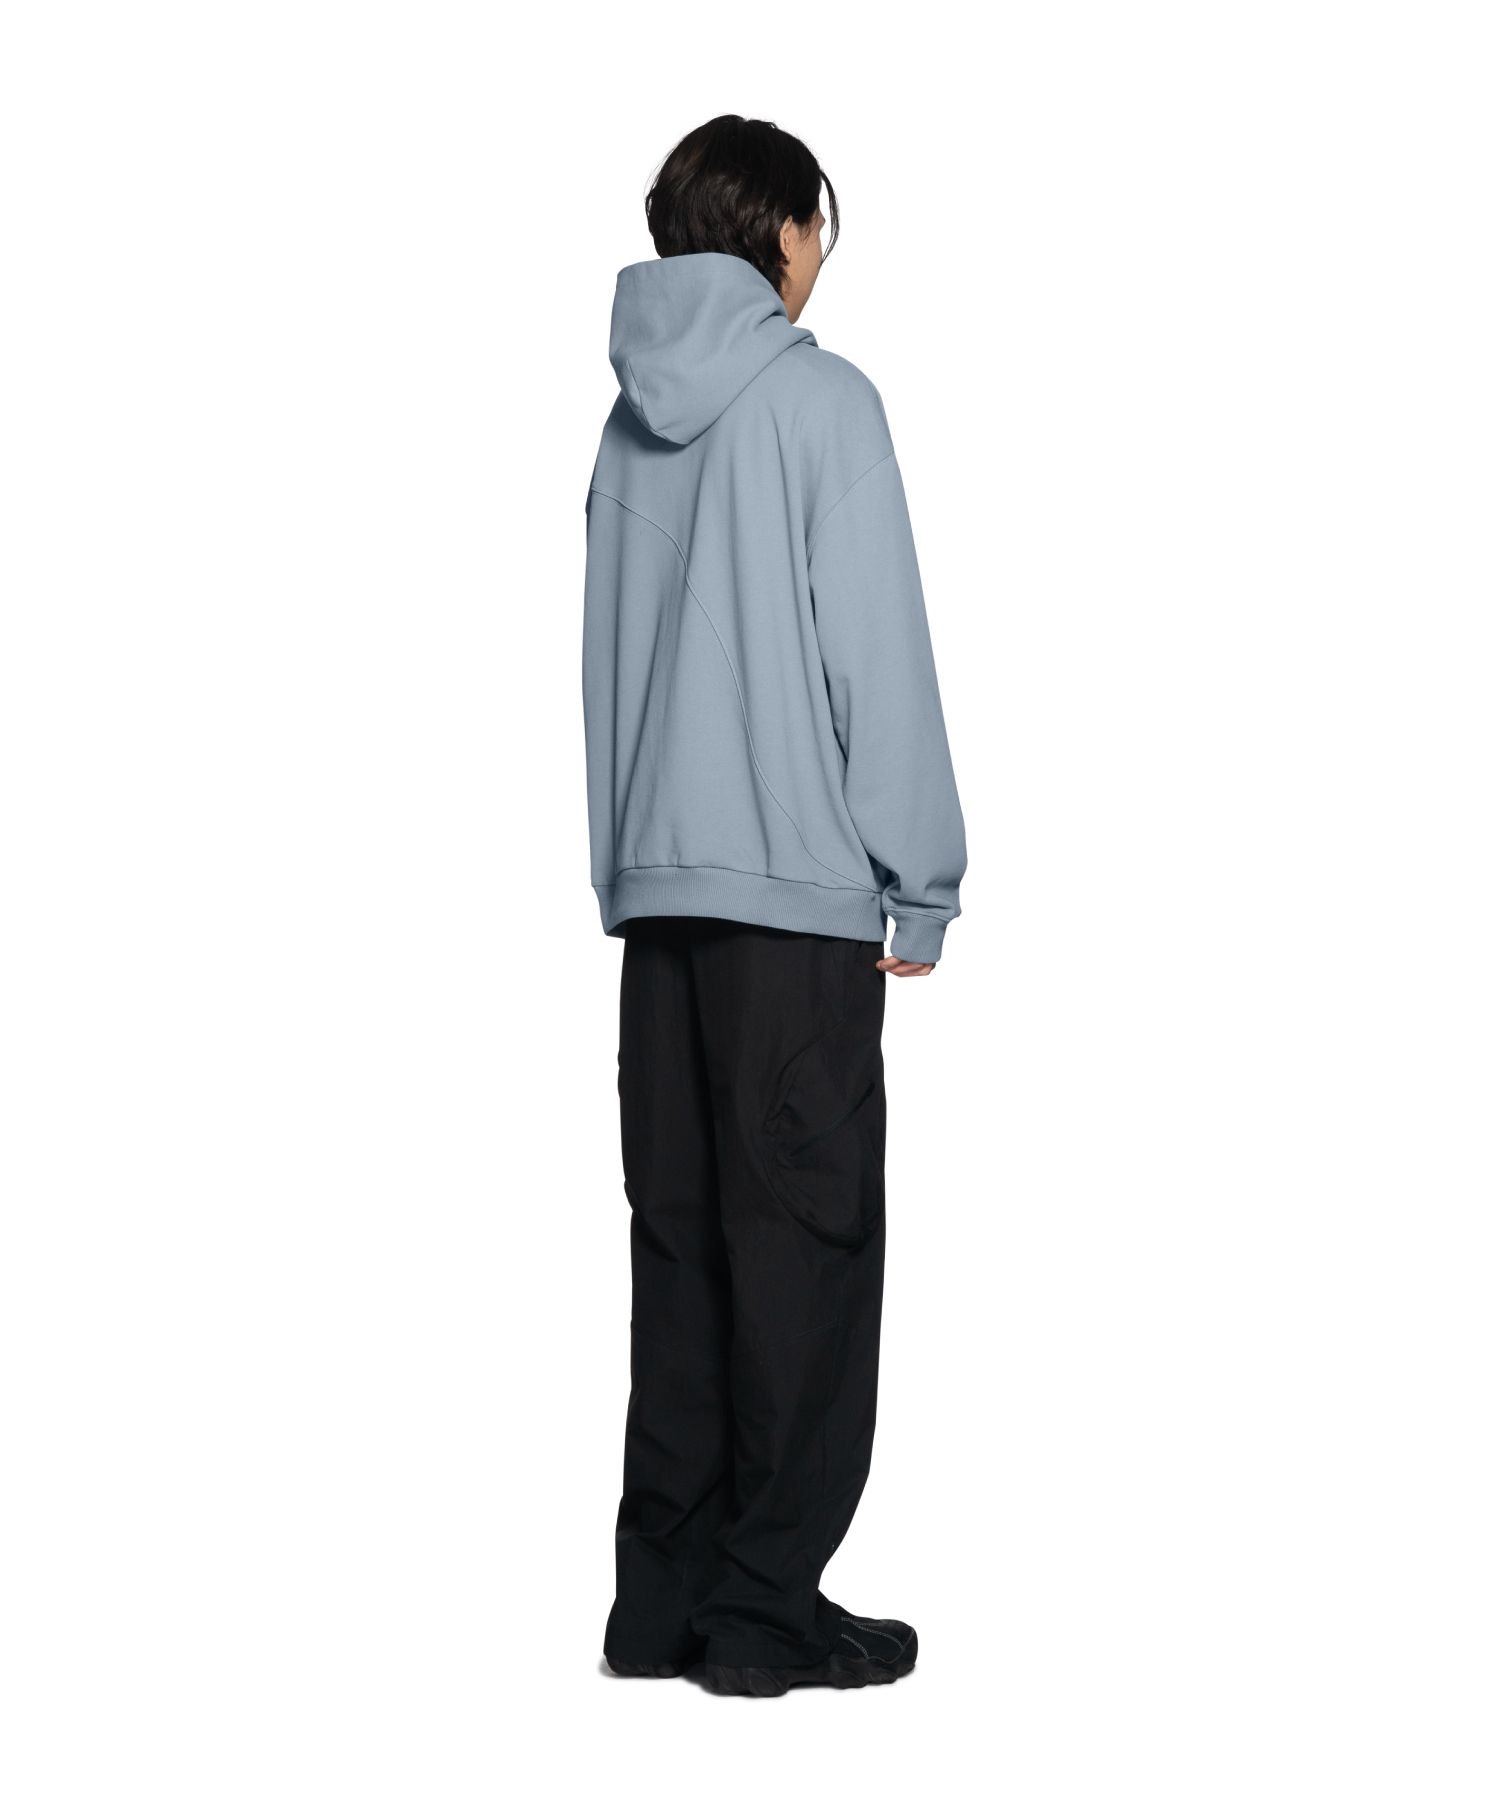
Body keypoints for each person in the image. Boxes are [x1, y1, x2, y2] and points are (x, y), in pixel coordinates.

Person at [582, 114, 966, 1697]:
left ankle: (661, 1601)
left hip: (660, 908)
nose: (819, 258)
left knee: (680, 1248)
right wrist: (920, 878)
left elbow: (608, 673)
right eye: (820, 228)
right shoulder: (822, 402)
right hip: (796, 912)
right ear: (786, 230)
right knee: (801, 1247)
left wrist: (628, 868)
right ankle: (761, 1613)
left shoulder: (624, 428)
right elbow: (875, 653)